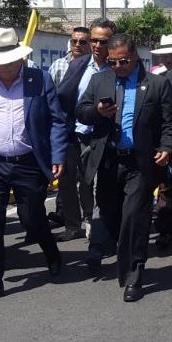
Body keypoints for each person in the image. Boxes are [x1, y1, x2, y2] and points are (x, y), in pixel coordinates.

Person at [0, 27, 67, 304]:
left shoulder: (39, 80)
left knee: (32, 218)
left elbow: (57, 121)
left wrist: (58, 156)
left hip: (29, 162)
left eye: (9, 61)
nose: (5, 67)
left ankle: (51, 252)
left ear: (20, 58)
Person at [76, 34, 172, 301]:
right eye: (112, 62)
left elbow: (170, 121)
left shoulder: (156, 84)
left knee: (134, 217)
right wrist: (97, 112)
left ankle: (134, 275)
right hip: (108, 161)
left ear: (134, 56)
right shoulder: (100, 80)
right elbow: (81, 111)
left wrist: (167, 147)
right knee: (111, 215)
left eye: (123, 61)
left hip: (140, 163)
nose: (118, 66)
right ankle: (118, 249)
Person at [54, 18, 116, 242]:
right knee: (68, 181)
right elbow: (64, 97)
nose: (97, 46)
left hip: (104, 135)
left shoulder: (119, 66)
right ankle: (73, 225)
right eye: (94, 40)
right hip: (74, 132)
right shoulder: (78, 65)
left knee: (96, 183)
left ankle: (97, 223)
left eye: (103, 41)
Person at [148, 33, 172, 247]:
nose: (168, 59)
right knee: (165, 188)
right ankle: (164, 230)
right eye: (164, 55)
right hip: (162, 141)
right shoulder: (155, 78)